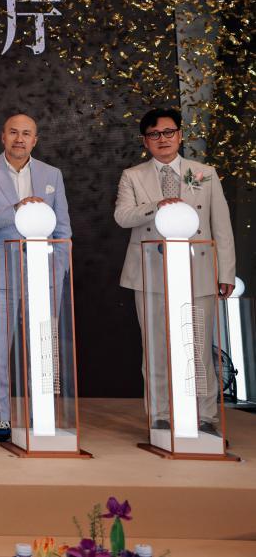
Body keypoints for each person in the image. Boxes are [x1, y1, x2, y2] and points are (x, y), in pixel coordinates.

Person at [115, 107, 235, 433]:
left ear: (180, 135)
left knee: (199, 345)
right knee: (155, 347)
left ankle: (205, 416)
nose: (163, 139)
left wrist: (225, 272)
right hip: (150, 272)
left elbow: (221, 226)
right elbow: (122, 217)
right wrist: (157, 206)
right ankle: (160, 415)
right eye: (154, 134)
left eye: (169, 132)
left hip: (198, 270)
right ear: (145, 141)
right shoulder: (132, 175)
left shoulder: (204, 173)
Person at [0, 114, 71, 443]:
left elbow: (63, 229)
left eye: (26, 133)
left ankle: (42, 415)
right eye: (13, 132)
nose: (20, 138)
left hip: (44, 275)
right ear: (3, 137)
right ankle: (2, 417)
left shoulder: (52, 174)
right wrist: (17, 207)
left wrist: (58, 271)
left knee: (43, 349)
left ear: (35, 140)